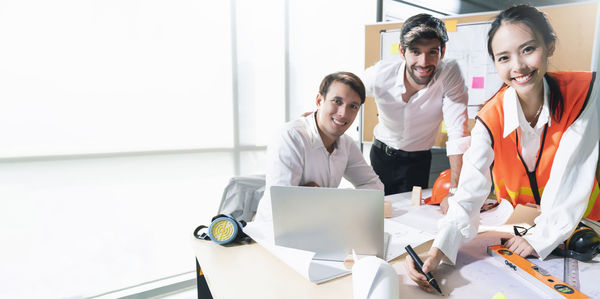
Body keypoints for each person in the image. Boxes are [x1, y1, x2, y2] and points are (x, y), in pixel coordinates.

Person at [405, 5, 600, 293]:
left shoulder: (583, 94)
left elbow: (571, 173)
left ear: (550, 46)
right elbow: (469, 193)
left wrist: (540, 237)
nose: (518, 66)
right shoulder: (490, 116)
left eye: (528, 49)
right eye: (504, 58)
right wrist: (439, 250)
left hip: (583, 226)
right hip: (522, 228)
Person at [363, 13, 470, 197]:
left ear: (442, 51)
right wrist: (315, 118)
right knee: (373, 214)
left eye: (432, 52)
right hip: (381, 156)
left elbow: (457, 133)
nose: (424, 62)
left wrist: (456, 191)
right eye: (415, 51)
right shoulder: (380, 74)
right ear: (402, 51)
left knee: (411, 215)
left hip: (418, 162)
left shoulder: (449, 73)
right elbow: (345, 93)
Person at [254, 72, 384, 222]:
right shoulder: (290, 137)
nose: (343, 113)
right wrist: (331, 201)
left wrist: (323, 197)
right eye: (337, 101)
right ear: (319, 100)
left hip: (319, 225)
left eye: (353, 106)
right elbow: (283, 207)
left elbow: (376, 187)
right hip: (273, 232)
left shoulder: (346, 143)